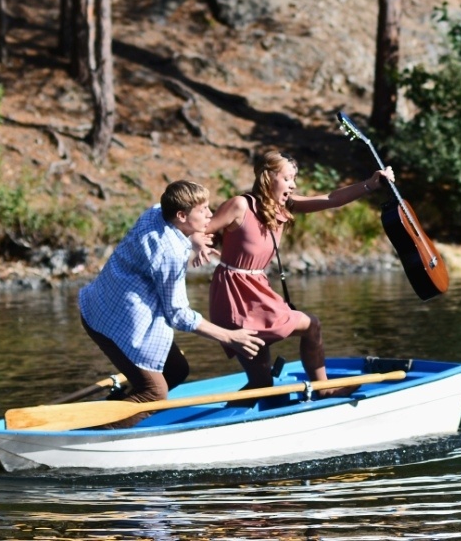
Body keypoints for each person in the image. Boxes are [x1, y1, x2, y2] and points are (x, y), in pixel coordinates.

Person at [204, 150, 394, 396]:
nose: (292, 185)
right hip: (235, 296)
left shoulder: (282, 207)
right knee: (310, 325)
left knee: (262, 385)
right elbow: (198, 229)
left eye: (294, 179)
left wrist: (370, 184)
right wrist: (200, 244)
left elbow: (331, 199)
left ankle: (220, 425)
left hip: (257, 290)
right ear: (268, 177)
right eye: (287, 178)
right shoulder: (241, 205)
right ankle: (323, 389)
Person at [78, 180, 265, 427]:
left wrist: (195, 239)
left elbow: (178, 227)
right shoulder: (170, 254)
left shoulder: (156, 211)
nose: (211, 214)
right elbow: (178, 315)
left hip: (101, 304)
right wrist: (229, 337)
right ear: (181, 215)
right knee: (155, 393)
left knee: (176, 369)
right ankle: (98, 435)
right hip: (114, 323)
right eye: (203, 210)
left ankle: (119, 406)